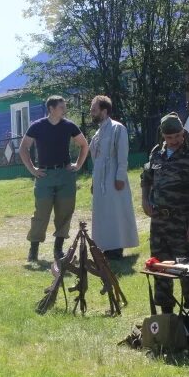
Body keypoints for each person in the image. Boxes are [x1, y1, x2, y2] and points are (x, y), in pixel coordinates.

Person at [141, 113, 189, 338]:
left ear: (183, 133)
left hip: (184, 222)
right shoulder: (156, 153)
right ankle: (166, 319)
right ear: (163, 136)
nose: (175, 141)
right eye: (170, 137)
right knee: (160, 268)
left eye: (178, 136)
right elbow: (146, 178)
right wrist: (144, 200)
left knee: (188, 270)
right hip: (159, 222)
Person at [19, 96, 90, 262]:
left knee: (64, 212)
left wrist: (78, 165)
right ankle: (33, 250)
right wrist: (32, 169)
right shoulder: (37, 126)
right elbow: (23, 148)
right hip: (45, 176)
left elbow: (84, 145)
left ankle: (58, 250)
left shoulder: (69, 126)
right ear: (51, 109)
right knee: (41, 213)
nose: (64, 110)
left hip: (65, 176)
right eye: (61, 107)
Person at [88, 95, 138, 260]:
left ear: (104, 110)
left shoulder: (118, 128)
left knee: (115, 212)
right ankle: (105, 246)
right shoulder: (98, 132)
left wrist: (120, 177)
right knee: (103, 214)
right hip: (100, 179)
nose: (91, 113)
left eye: (94, 110)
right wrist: (94, 181)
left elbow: (122, 155)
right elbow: (97, 160)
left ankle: (116, 248)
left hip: (113, 178)